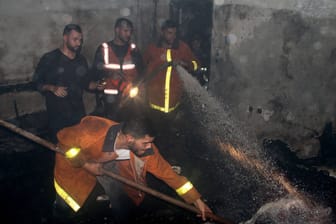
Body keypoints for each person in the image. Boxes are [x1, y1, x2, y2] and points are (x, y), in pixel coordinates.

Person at [54, 115, 212, 223]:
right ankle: (58, 212)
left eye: (150, 142)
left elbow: (169, 174)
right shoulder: (93, 133)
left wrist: (196, 199)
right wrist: (86, 164)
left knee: (120, 199)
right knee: (67, 200)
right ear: (129, 138)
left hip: (108, 164)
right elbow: (63, 143)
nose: (149, 147)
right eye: (145, 143)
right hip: (74, 162)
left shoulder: (145, 150)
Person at [33, 24, 97, 143]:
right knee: (62, 148)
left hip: (78, 113)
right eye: (75, 39)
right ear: (65, 37)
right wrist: (51, 87)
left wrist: (99, 85)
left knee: (80, 145)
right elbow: (36, 83)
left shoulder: (81, 60)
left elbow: (86, 84)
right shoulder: (50, 59)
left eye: (80, 40)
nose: (78, 43)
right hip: (58, 115)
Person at [143, 19, 199, 121]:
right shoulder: (152, 48)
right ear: (162, 32)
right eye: (169, 33)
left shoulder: (182, 48)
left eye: (175, 33)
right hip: (154, 101)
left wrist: (184, 64)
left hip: (174, 102)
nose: (173, 36)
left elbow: (195, 64)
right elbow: (143, 65)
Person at [90, 17, 144, 121]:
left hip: (130, 101)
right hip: (109, 102)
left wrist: (136, 87)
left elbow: (142, 73)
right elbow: (95, 73)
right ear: (117, 30)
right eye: (125, 31)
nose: (128, 34)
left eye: (130, 31)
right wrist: (109, 75)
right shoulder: (104, 49)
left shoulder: (134, 50)